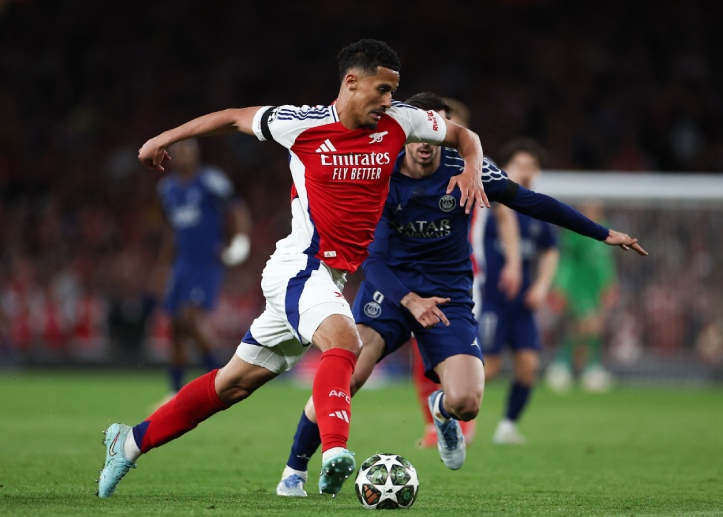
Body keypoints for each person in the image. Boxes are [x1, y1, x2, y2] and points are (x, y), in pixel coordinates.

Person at [96, 38, 491, 499]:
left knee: (232, 385)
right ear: (352, 82)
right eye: (382, 90)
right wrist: (164, 138)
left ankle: (128, 441)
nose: (389, 101)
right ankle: (335, 450)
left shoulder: (403, 121)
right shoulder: (300, 123)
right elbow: (233, 117)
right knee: (345, 339)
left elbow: (465, 136)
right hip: (300, 266)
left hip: (329, 278)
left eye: (393, 92)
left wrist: (471, 168)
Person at [275, 92, 647, 497]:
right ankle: (295, 469)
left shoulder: (468, 170)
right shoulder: (382, 174)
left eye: (433, 132)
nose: (424, 141)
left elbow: (531, 202)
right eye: (417, 132)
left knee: (467, 402)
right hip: (391, 290)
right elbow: (374, 260)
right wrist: (410, 301)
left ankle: (441, 410)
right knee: (348, 375)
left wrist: (601, 232)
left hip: (448, 294)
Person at [412, 96, 522, 448]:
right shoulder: (412, 164)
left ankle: (462, 418)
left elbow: (505, 213)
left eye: (447, 124)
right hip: (416, 272)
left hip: (464, 273)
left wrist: (514, 261)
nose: (438, 131)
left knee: (462, 347)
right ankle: (434, 423)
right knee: (421, 349)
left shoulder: (477, 165)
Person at [473, 138, 558, 445]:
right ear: (505, 168)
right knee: (489, 367)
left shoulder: (537, 209)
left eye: (531, 166)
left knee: (528, 366)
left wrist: (541, 286)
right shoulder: (489, 204)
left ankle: (507, 427)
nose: (526, 171)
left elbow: (551, 250)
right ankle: (454, 417)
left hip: (522, 304)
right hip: (490, 299)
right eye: (519, 165)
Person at [154, 138, 252, 402]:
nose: (184, 156)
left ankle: (221, 378)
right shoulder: (166, 189)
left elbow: (237, 209)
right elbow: (170, 231)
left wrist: (239, 240)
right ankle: (175, 391)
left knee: (189, 319)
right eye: (179, 151)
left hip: (207, 263)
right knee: (176, 326)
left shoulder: (211, 181)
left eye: (188, 150)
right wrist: (164, 265)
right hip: (182, 264)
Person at [545, 200, 619, 393]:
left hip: (595, 289)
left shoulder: (605, 230)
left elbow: (605, 263)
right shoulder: (576, 232)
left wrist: (608, 284)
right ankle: (585, 368)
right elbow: (566, 262)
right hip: (579, 287)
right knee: (590, 325)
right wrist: (560, 286)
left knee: (587, 329)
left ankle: (568, 367)